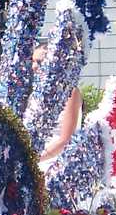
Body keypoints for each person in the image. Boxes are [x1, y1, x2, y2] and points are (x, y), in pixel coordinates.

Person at [32, 42, 82, 172]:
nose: (34, 67)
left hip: (56, 162)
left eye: (39, 62)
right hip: (33, 156)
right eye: (33, 61)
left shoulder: (70, 92)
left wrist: (34, 159)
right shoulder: (33, 94)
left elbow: (65, 140)